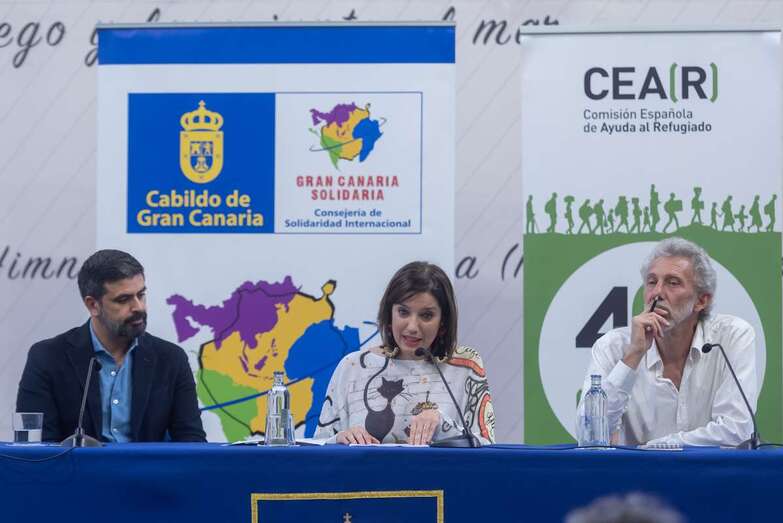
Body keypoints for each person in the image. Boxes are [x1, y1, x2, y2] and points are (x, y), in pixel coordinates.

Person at [577, 237, 757, 446]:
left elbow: (737, 430)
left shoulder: (732, 336)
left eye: (673, 283)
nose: (657, 293)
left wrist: (660, 448)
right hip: (638, 477)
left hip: (710, 475)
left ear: (701, 300)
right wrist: (633, 356)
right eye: (652, 282)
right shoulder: (613, 346)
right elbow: (588, 435)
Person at [16, 249, 206, 443]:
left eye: (141, 295)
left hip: (147, 473)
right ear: (93, 305)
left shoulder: (171, 359)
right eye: (123, 300)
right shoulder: (48, 357)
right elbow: (35, 448)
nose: (138, 307)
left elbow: (192, 443)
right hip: (76, 472)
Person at [316, 261, 495, 445]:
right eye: (403, 312)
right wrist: (339, 439)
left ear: (443, 322)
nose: (412, 327)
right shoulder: (353, 366)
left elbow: (487, 448)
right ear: (389, 314)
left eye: (426, 316)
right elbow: (316, 448)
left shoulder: (465, 366)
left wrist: (442, 425)